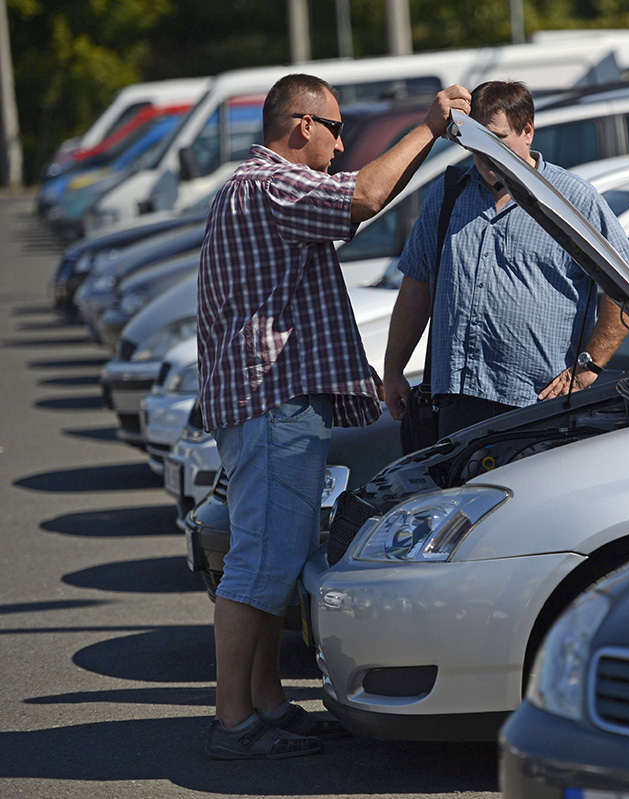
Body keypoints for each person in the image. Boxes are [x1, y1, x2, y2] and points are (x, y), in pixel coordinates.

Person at [196, 73, 470, 760]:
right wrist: (430, 126)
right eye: (337, 128)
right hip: (271, 406)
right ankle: (233, 721)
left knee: (274, 563)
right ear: (301, 127)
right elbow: (368, 196)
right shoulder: (272, 184)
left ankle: (264, 705)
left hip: (270, 405)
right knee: (260, 565)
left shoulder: (257, 189)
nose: (344, 142)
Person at [382, 80, 629, 437]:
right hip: (457, 403)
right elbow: (417, 286)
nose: (485, 152)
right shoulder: (449, 194)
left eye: (498, 139)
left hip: (537, 407)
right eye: (474, 139)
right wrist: (394, 369)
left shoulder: (571, 199)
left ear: (527, 132)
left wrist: (587, 368)